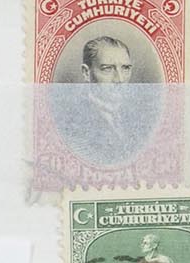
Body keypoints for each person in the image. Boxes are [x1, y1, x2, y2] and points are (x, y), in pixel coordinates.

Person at [58, 30, 155, 168]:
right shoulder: (73, 123)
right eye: (107, 69)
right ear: (86, 73)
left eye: (125, 68)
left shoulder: (140, 118)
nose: (120, 79)